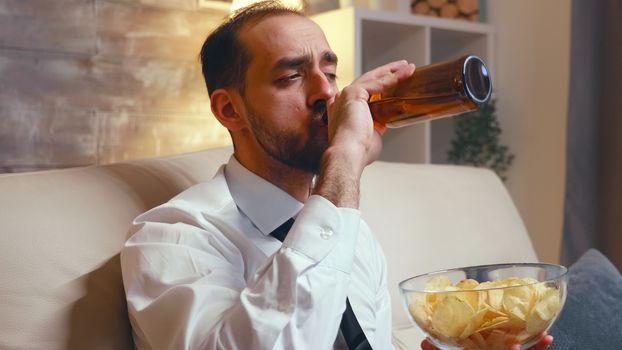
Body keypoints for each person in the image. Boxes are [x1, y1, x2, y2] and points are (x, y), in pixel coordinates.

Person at [120, 1, 554, 349]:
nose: (327, 92)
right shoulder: (172, 237)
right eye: (291, 76)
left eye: (329, 73)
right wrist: (344, 158)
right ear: (230, 109)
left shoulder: (351, 233)